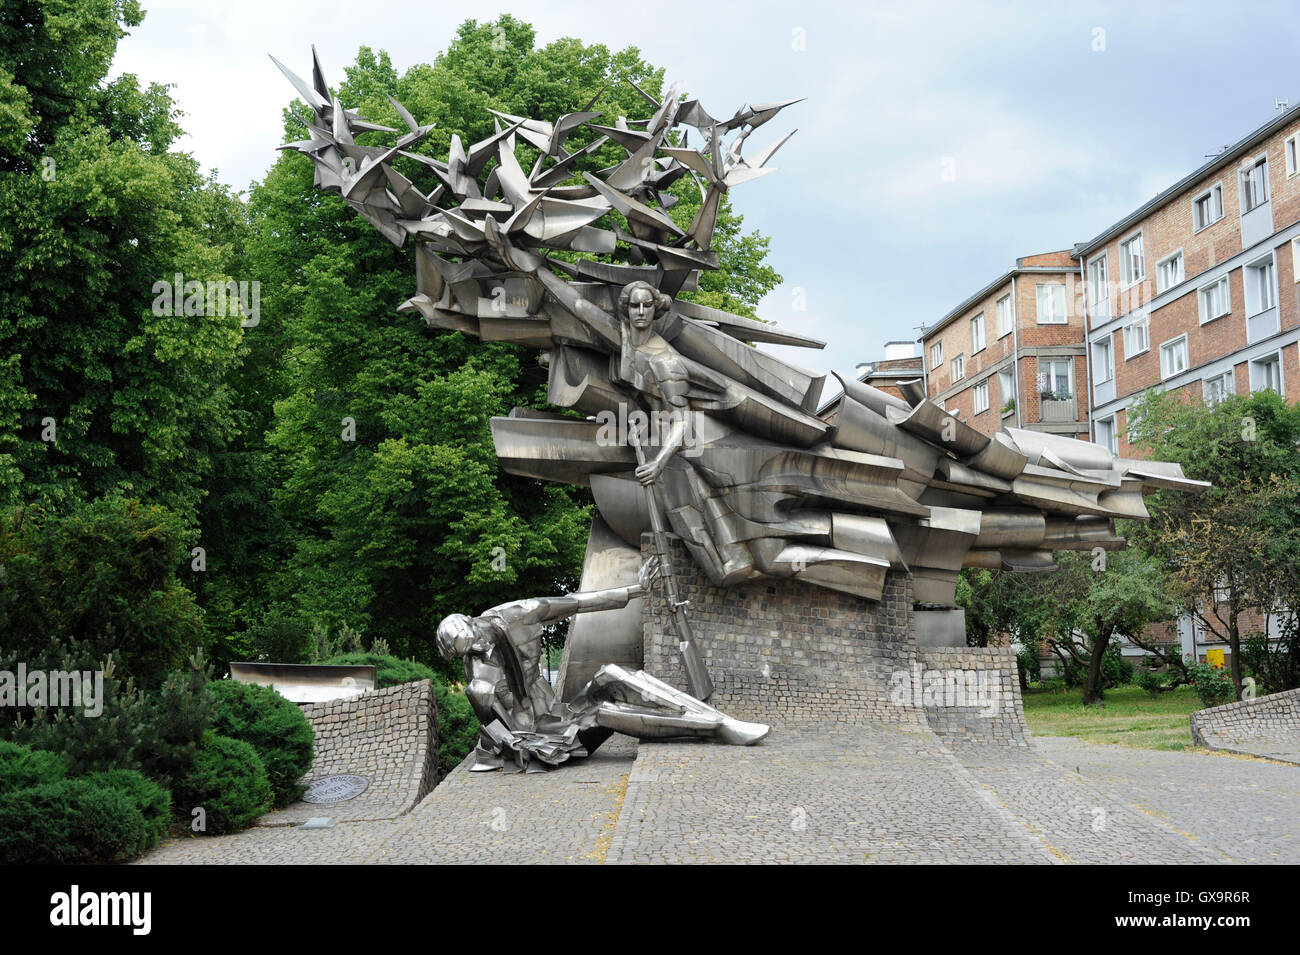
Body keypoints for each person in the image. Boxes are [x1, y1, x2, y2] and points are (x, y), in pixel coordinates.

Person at [435, 558, 769, 773]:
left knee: (613, 674)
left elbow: (579, 603)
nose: (478, 651)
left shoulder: (518, 613)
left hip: (559, 713)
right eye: (469, 652)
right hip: (545, 737)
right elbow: (497, 732)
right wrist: (513, 746)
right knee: (605, 712)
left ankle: (720, 719)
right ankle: (713, 729)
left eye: (476, 641)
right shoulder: (478, 680)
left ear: (473, 622)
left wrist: (636, 590)